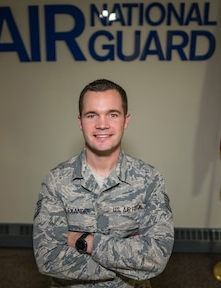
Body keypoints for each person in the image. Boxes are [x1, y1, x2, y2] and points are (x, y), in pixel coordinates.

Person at [33, 79, 174, 287]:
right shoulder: (56, 181)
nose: (102, 124)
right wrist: (128, 265)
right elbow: (48, 258)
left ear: (125, 120)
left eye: (112, 114)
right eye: (92, 115)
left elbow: (156, 257)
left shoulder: (149, 179)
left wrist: (85, 242)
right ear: (80, 121)